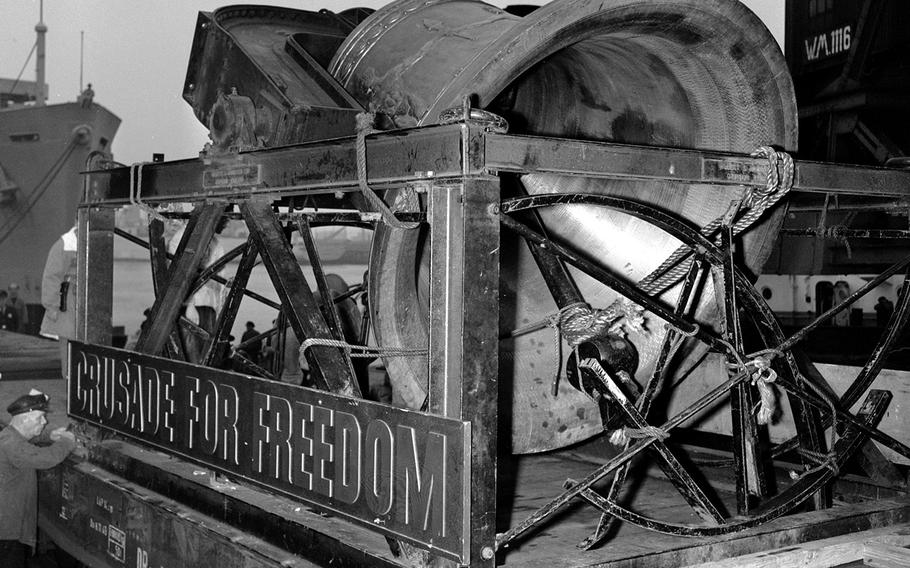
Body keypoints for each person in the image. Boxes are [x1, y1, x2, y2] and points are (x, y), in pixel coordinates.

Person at [0, 390, 76, 568]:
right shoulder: (12, 445)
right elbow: (46, 458)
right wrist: (68, 441)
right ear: (25, 418)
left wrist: (49, 436)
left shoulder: (8, 435)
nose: (45, 422)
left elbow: (24, 443)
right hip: (7, 531)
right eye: (40, 418)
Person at [39, 225, 78, 377]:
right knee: (69, 347)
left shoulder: (87, 240)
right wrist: (52, 307)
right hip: (68, 304)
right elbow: (51, 276)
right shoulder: (64, 244)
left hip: (85, 302)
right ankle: (70, 386)